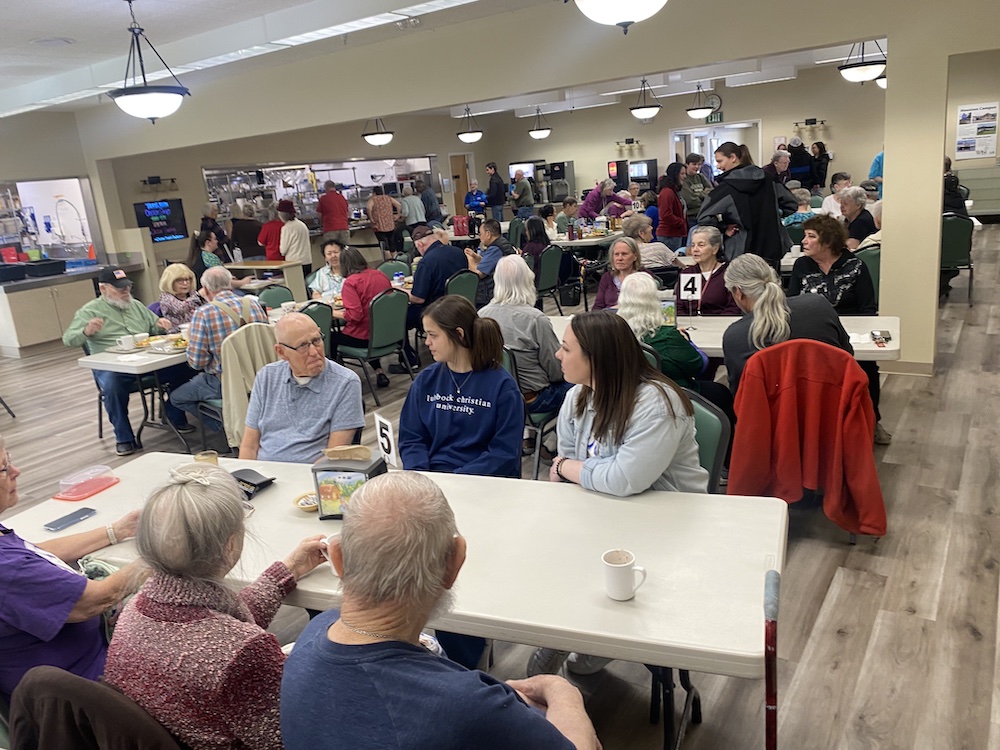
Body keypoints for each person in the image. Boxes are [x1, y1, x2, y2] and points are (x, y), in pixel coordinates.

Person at [280, 472, 600, 750]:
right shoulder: (466, 706)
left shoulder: (309, 639)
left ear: (337, 559)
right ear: (454, 562)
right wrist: (562, 690)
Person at [529, 311, 708, 677]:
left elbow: (623, 478)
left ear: (597, 357)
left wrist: (567, 470)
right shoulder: (578, 396)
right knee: (550, 559)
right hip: (606, 514)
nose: (558, 356)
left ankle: (581, 644)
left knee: (583, 572)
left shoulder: (657, 403)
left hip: (666, 526)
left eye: (566, 348)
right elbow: (571, 463)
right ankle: (584, 638)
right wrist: (571, 472)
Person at [103, 463, 327, 750]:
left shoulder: (137, 607)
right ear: (231, 544)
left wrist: (290, 569)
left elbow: (216, 631)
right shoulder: (241, 653)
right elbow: (293, 738)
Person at [0, 436, 144, 703]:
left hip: (74, 673)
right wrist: (157, 555)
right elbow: (96, 599)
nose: (16, 471)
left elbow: (33, 551)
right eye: (4, 467)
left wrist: (116, 531)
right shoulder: (7, 568)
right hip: (88, 692)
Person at [63, 266, 195, 455]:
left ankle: (172, 414)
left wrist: (160, 324)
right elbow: (68, 339)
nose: (125, 291)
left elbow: (154, 326)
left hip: (146, 361)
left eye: (127, 287)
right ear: (103, 289)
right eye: (119, 288)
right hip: (114, 367)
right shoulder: (90, 311)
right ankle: (123, 437)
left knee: (187, 367)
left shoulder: (136, 306)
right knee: (112, 385)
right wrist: (86, 331)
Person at [787, 214, 889, 444]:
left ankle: (872, 420)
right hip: (813, 331)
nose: (803, 241)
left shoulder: (855, 266)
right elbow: (791, 303)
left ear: (828, 241)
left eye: (811, 236)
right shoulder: (801, 265)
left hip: (851, 332)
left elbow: (868, 308)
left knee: (867, 367)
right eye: (805, 236)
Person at [399, 293, 523, 477]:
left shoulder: (502, 387)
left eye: (433, 335)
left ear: (459, 334)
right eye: (426, 335)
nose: (427, 342)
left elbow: (503, 453)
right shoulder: (425, 380)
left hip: (483, 481)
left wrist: (457, 479)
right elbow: (411, 439)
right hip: (433, 479)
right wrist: (421, 476)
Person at [241, 312, 364, 463]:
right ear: (281, 352)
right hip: (264, 474)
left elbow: (333, 456)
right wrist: (246, 480)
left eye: (316, 340)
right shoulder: (266, 377)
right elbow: (249, 446)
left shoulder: (345, 383)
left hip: (310, 477)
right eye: (303, 346)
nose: (314, 352)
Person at [721, 254, 851, 394]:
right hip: (833, 408)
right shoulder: (819, 306)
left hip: (773, 414)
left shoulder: (735, 336)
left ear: (738, 292)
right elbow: (847, 356)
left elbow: (742, 397)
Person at [169, 267, 268, 431]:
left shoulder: (204, 313)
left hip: (225, 382)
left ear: (206, 290)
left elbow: (197, 362)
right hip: (261, 377)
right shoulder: (254, 304)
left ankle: (226, 429)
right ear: (230, 284)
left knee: (177, 397)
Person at [480, 256, 572, 417]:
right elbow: (556, 371)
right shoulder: (535, 319)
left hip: (496, 397)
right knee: (586, 383)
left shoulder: (481, 316)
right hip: (534, 400)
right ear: (528, 281)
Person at [696, 142, 797, 266]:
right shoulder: (768, 179)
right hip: (771, 246)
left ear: (733, 158)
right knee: (770, 284)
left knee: (741, 284)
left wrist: (723, 227)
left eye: (720, 161)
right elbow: (791, 204)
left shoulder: (726, 188)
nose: (718, 166)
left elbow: (703, 217)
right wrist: (773, 215)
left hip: (740, 248)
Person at [395, 224, 467, 372]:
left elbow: (418, 298)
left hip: (435, 311)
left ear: (420, 244)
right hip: (461, 305)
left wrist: (400, 290)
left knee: (396, 317)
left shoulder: (427, 262)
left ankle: (410, 360)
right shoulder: (458, 252)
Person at [329, 246, 393, 388]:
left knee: (330, 338)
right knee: (366, 327)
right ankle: (379, 372)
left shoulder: (351, 283)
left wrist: (333, 313)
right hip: (385, 334)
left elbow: (355, 316)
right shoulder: (380, 274)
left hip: (364, 338)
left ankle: (337, 381)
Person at [675, 226, 740, 316]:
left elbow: (733, 308)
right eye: (693, 245)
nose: (695, 249)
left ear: (715, 249)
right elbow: (678, 306)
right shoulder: (688, 273)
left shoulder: (729, 273)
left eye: (701, 245)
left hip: (719, 325)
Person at [465, 218, 515, 308]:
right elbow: (490, 263)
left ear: (488, 234)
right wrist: (475, 256)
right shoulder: (502, 243)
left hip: (490, 294)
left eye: (481, 234)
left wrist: (469, 260)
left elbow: (478, 274)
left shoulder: (495, 249)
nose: (480, 237)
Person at [594, 236, 652, 310]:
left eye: (624, 254)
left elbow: (648, 305)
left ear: (635, 256)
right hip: (610, 319)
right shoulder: (607, 277)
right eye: (616, 254)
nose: (620, 258)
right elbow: (598, 306)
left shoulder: (645, 277)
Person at [157, 262, 204, 330]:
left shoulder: (192, 294)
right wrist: (198, 296)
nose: (185, 283)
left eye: (187, 279)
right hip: (177, 333)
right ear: (170, 282)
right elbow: (180, 309)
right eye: (180, 280)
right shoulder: (165, 297)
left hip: (198, 329)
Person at [655, 164, 687, 249]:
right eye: (682, 174)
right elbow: (665, 215)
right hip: (669, 235)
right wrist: (681, 222)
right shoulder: (667, 192)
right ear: (675, 174)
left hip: (674, 233)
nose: (685, 176)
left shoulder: (673, 191)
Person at [278, 198, 313, 276]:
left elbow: (283, 250)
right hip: (307, 261)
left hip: (293, 263)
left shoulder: (287, 228)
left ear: (282, 215)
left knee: (296, 286)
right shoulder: (302, 224)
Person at [366, 184, 402, 257]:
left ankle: (388, 263)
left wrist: (371, 218)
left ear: (374, 193)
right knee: (392, 244)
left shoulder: (373, 199)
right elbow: (398, 204)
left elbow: (368, 208)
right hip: (390, 225)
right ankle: (395, 261)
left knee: (385, 246)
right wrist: (398, 215)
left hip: (379, 226)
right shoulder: (388, 198)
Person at [680, 153, 713, 227]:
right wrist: (704, 194)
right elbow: (690, 201)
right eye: (694, 164)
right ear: (687, 164)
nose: (697, 167)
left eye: (699, 164)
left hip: (705, 215)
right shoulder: (684, 179)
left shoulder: (701, 177)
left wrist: (697, 194)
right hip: (692, 217)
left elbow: (712, 193)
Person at [317, 181, 350, 246]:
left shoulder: (323, 199)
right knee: (345, 252)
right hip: (344, 228)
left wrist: (321, 223)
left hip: (330, 229)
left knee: (332, 252)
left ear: (326, 187)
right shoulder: (342, 197)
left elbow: (319, 215)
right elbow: (348, 212)